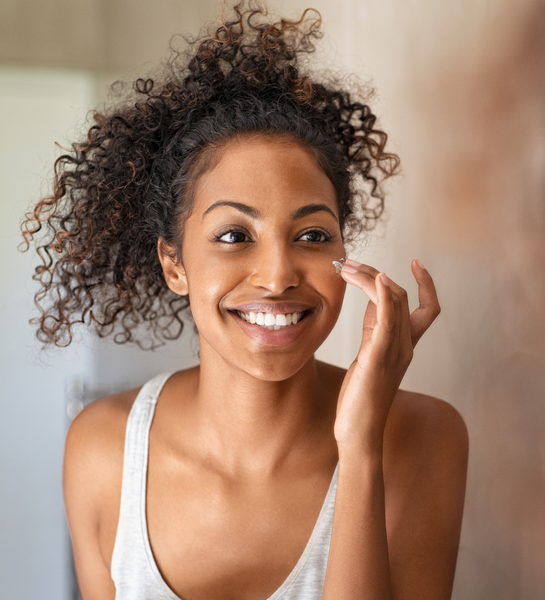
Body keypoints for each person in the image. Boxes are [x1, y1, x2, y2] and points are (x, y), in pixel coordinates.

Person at [21, 3, 468, 599]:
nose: (279, 275)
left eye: (312, 235)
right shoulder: (102, 448)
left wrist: (361, 445)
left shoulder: (423, 435)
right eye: (234, 236)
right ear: (174, 263)